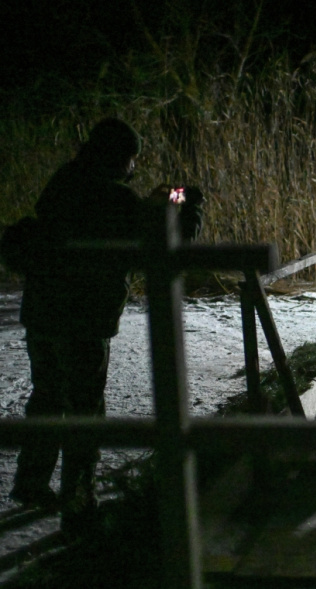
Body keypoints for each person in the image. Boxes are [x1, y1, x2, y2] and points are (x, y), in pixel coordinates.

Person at [7, 118, 205, 535]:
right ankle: (78, 503)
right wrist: (185, 199)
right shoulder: (114, 199)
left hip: (42, 313)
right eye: (132, 157)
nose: (134, 165)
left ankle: (31, 482)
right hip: (83, 319)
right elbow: (167, 237)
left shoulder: (64, 182)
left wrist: (158, 197)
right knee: (85, 410)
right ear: (119, 157)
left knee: (46, 396)